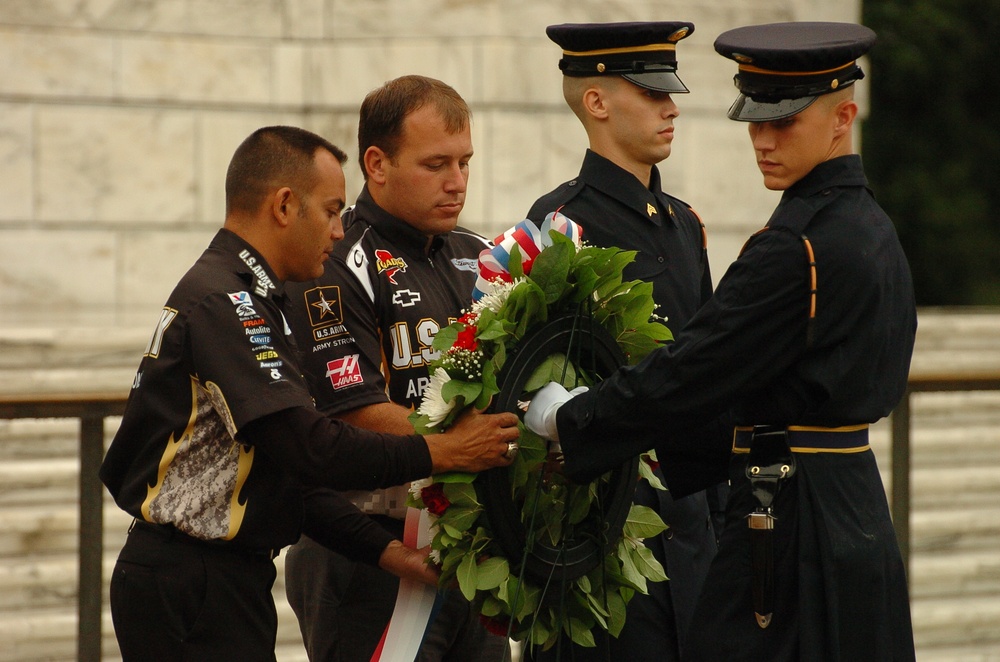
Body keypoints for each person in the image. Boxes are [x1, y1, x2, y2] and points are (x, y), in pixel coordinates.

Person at [526, 22, 917, 661]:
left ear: (844, 117)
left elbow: (695, 368)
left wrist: (576, 422)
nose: (761, 139)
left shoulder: (798, 247)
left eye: (782, 122)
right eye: (755, 122)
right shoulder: (870, 228)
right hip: (846, 503)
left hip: (791, 509)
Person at [99, 125, 520, 662]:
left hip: (222, 576)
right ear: (283, 206)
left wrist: (388, 552)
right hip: (191, 577)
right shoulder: (227, 302)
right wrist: (444, 450)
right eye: (330, 210)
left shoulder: (249, 294)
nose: (339, 231)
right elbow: (312, 446)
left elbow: (288, 475)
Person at [282, 77, 509, 662]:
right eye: (435, 164)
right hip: (369, 549)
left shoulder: (480, 256)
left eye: (464, 162)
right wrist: (465, 447)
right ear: (376, 164)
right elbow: (353, 411)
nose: (456, 181)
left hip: (472, 545)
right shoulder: (333, 261)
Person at [522, 22, 723, 662]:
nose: (672, 107)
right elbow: (537, 376)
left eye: (671, 92)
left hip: (696, 512)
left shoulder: (684, 223)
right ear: (598, 103)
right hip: (612, 520)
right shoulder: (561, 223)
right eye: (652, 92)